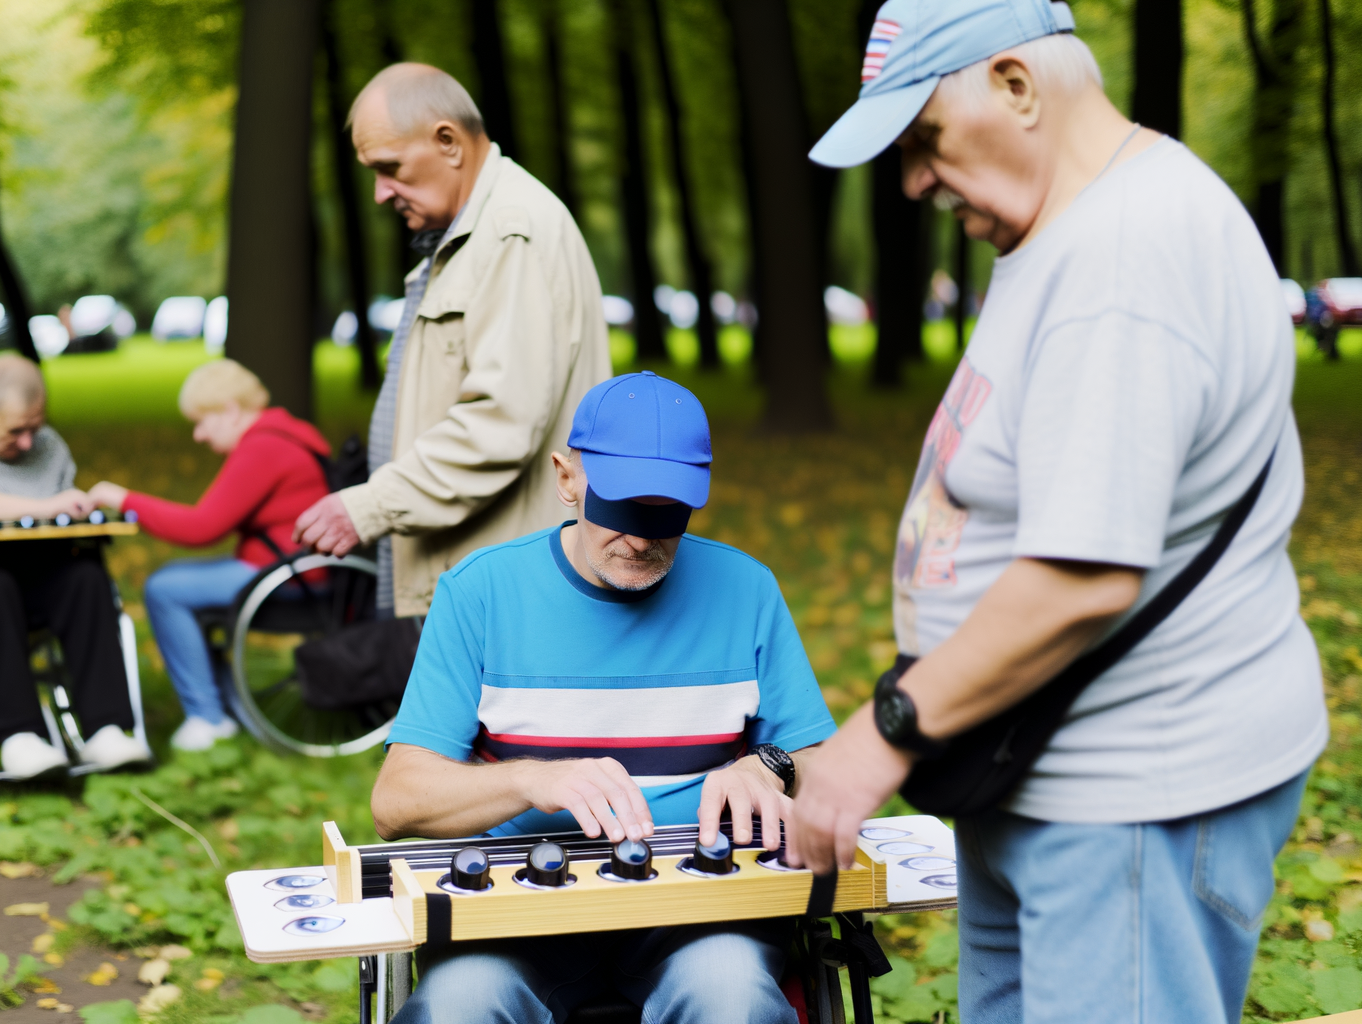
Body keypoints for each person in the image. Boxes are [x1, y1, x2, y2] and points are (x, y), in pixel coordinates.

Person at [787, 2, 1326, 1022]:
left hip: (1131, 798)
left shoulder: (1122, 258)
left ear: (1016, 86)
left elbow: (1083, 576)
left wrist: (878, 737)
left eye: (923, 140)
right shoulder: (1073, 226)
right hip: (1036, 771)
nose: (910, 181)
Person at [374, 372, 837, 1024]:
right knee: (458, 1006)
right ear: (567, 479)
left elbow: (825, 759)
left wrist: (772, 766)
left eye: (667, 514)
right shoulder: (480, 593)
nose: (643, 539)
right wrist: (532, 780)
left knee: (732, 999)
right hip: (517, 913)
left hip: (700, 914)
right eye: (620, 510)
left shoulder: (746, 588)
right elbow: (397, 801)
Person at [293, 63, 610, 618]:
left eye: (389, 168)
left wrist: (370, 506)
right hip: (480, 578)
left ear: (448, 142)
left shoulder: (512, 231)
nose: (378, 193)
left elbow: (500, 421)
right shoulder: (470, 237)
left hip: (510, 593)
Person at [0, 354, 152, 778]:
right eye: (15, 431)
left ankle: (106, 728)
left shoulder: (48, 444)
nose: (27, 444)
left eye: (34, 428)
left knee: (87, 578)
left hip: (40, 565)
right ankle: (20, 735)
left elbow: (61, 510)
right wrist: (42, 506)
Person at [87, 360, 332, 752]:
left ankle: (207, 718)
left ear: (230, 410)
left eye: (202, 422)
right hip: (299, 570)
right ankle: (217, 707)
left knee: (165, 588)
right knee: (178, 584)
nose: (198, 435)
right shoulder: (286, 432)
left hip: (288, 578)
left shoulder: (263, 446)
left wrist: (124, 500)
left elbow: (201, 527)